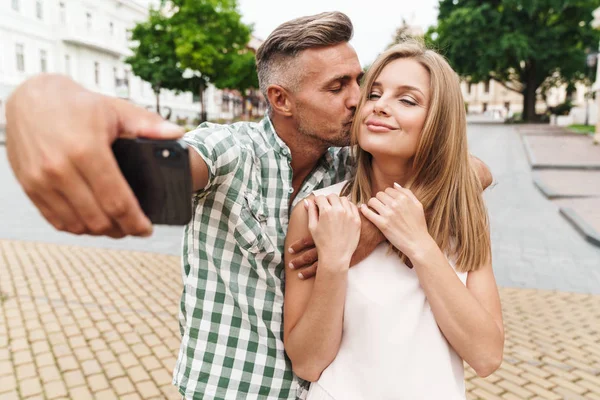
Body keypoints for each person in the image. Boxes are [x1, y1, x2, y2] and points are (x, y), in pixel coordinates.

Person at [5, 12, 492, 400]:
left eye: (359, 80)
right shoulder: (230, 150)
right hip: (228, 388)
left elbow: (467, 169)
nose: (359, 100)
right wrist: (42, 101)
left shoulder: (351, 163)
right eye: (337, 86)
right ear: (281, 99)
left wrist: (381, 226)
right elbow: (173, 168)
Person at [283, 41, 504, 400]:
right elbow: (307, 364)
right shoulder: (317, 212)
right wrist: (335, 265)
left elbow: (487, 356)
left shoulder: (462, 210)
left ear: (438, 122)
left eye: (407, 100)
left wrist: (419, 243)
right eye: (374, 93)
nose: (380, 106)